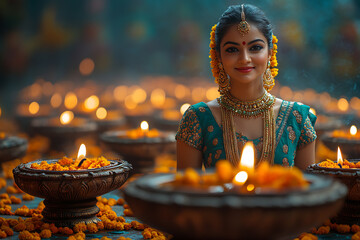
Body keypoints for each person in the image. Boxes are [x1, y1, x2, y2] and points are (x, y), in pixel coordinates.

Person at [176, 4, 317, 171]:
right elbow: (187, 192)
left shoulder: (296, 118)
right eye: (232, 49)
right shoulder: (197, 119)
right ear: (218, 56)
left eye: (255, 48)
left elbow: (309, 193)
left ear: (270, 52)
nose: (244, 58)